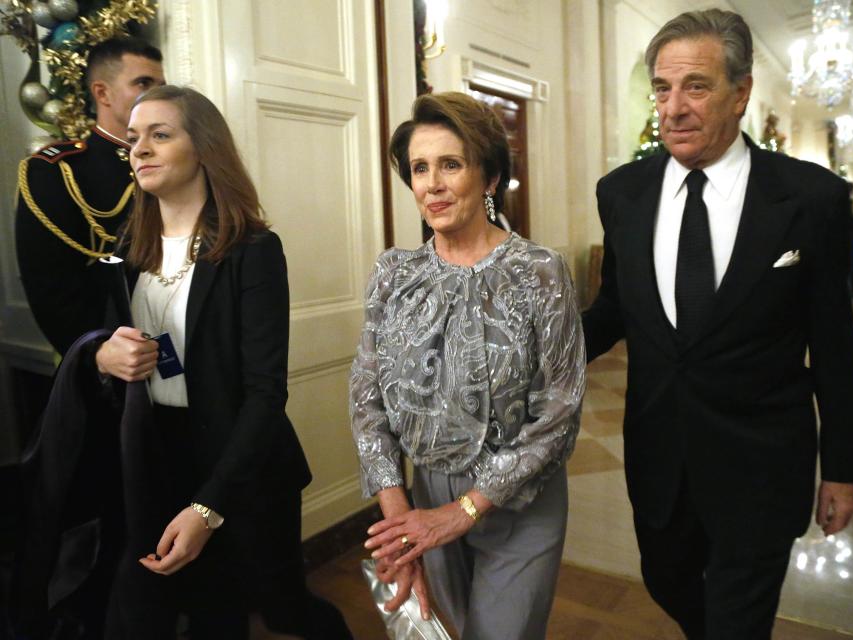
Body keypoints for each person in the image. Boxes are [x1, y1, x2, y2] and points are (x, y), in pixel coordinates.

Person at [581, 10, 853, 639]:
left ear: (740, 94)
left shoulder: (810, 198)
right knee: (666, 580)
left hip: (761, 466)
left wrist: (843, 467)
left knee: (740, 619)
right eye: (662, 88)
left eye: (696, 87)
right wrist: (535, 350)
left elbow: (834, 344)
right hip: (660, 457)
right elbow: (614, 310)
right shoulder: (622, 193)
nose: (673, 108)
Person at [93, 85, 351, 639]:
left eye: (160, 135)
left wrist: (208, 508)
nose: (140, 149)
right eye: (134, 139)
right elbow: (106, 349)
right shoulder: (127, 247)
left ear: (204, 148)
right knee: (207, 616)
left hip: (243, 464)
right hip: (162, 456)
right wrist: (103, 357)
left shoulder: (251, 249)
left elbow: (265, 394)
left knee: (284, 611)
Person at [350, 92, 585, 639]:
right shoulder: (393, 273)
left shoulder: (540, 272)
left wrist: (466, 510)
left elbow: (559, 411)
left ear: (490, 177)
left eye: (450, 165)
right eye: (419, 169)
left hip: (520, 500)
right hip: (422, 492)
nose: (431, 184)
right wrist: (397, 520)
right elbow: (366, 399)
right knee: (445, 631)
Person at [15, 37, 165, 356]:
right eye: (143, 83)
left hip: (186, 341)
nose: (157, 95)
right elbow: (51, 287)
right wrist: (95, 355)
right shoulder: (59, 170)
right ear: (102, 93)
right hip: (113, 355)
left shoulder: (178, 162)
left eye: (161, 85)